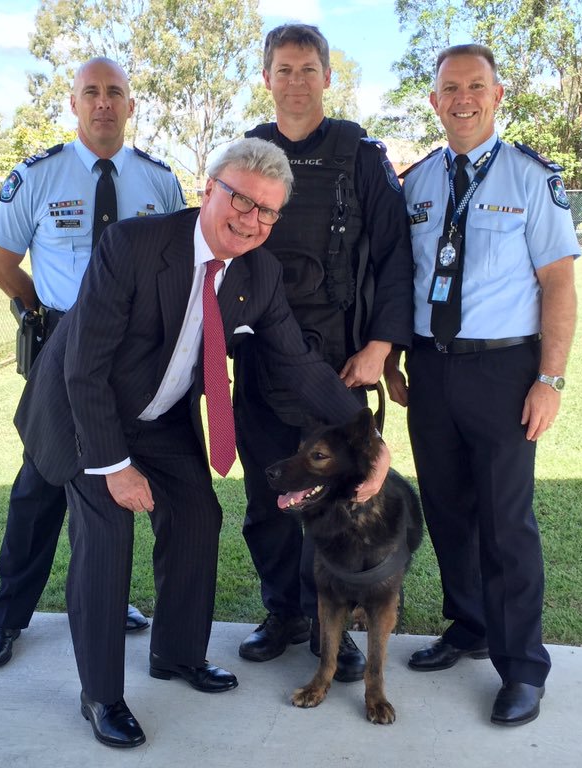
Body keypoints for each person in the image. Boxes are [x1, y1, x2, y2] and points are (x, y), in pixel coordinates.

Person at [13, 137, 391, 748]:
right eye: (241, 200)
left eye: (268, 211)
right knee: (106, 534)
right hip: (87, 414)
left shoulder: (258, 273)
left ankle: (178, 655)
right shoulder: (133, 246)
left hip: (160, 418)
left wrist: (365, 437)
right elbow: (83, 367)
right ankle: (101, 695)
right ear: (208, 189)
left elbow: (296, 364)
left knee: (197, 515)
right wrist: (113, 465)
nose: (252, 220)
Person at [384, 43, 579, 727]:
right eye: (448, 89)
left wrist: (550, 379)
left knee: (506, 522)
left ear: (498, 96)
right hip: (431, 371)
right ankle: (468, 625)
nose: (461, 99)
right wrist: (392, 359)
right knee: (447, 509)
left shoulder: (530, 177)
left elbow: (558, 282)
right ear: (434, 102)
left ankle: (522, 666)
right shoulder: (417, 183)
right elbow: (399, 277)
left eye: (475, 86)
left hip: (503, 371)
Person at [0, 57, 185, 668]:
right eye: (90, 92)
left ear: (130, 105)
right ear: (73, 103)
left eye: (114, 93)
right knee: (41, 485)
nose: (103, 104)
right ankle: (6, 618)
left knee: (123, 486)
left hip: (139, 354)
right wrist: (50, 319)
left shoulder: (159, 182)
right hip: (66, 347)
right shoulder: (38, 176)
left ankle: (109, 601)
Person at [235, 23, 413, 683]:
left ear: (328, 77)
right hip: (259, 361)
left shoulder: (360, 157)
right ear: (267, 78)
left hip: (337, 367)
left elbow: (397, 257)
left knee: (340, 503)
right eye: (283, 69)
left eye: (308, 69)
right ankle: (283, 612)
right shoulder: (247, 157)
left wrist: (380, 346)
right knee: (267, 500)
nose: (296, 82)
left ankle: (328, 627)